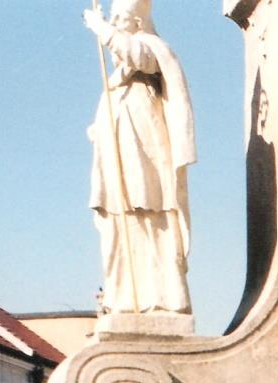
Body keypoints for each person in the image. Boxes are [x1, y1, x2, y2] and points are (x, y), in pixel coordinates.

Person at [83, 0, 195, 316]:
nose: (115, 24)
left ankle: (164, 298)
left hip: (145, 169)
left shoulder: (153, 51)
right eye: (113, 19)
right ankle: (123, 299)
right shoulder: (116, 82)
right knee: (117, 229)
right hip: (117, 175)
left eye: (120, 19)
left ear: (138, 23)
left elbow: (137, 54)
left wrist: (100, 27)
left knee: (151, 223)